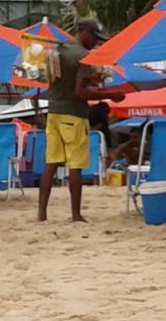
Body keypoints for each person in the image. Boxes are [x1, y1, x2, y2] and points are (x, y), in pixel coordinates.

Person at [38, 18, 125, 223]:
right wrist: (110, 95)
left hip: (53, 112)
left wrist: (95, 85)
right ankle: (75, 214)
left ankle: (41, 213)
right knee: (75, 166)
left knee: (51, 164)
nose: (96, 42)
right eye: (94, 37)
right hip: (73, 115)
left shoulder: (58, 50)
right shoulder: (83, 57)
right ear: (85, 31)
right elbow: (79, 92)